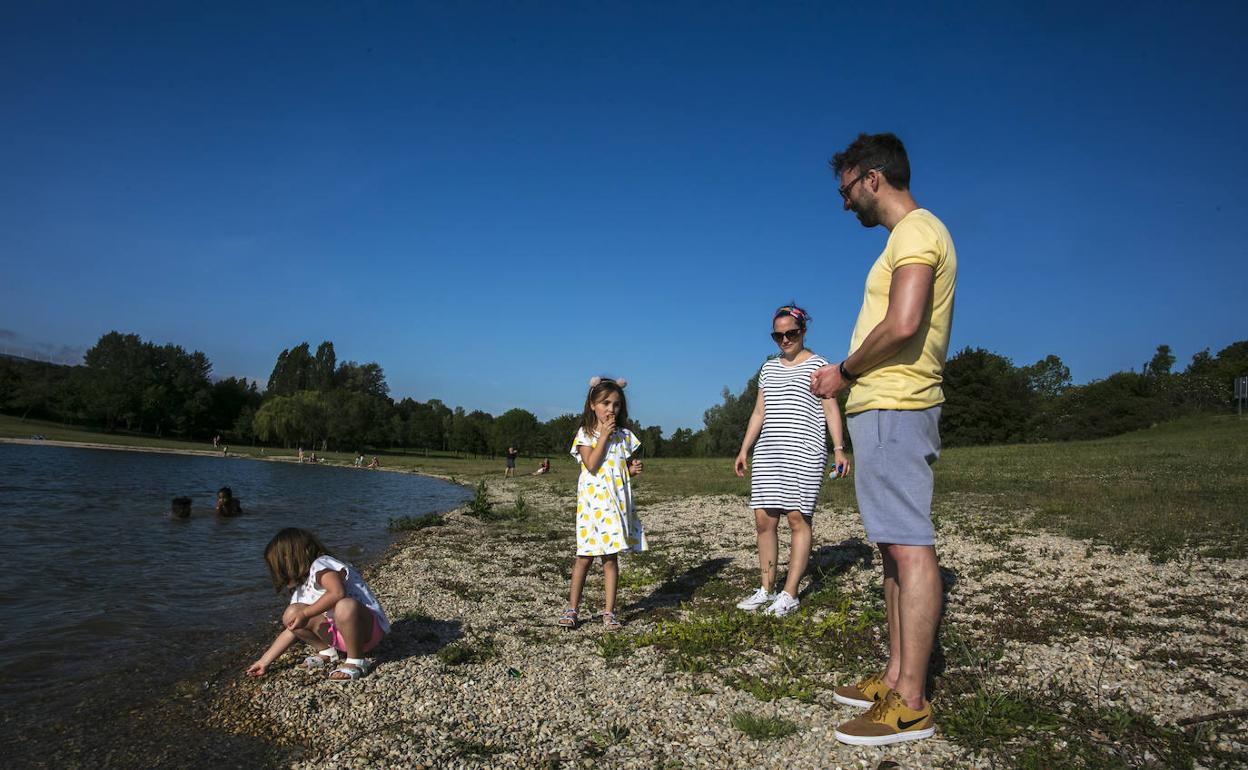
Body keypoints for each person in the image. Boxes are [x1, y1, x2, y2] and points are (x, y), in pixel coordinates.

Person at [810, 132, 957, 746]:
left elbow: (902, 324)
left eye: (845, 189)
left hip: (896, 402)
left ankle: (912, 704)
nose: (844, 203)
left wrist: (842, 373)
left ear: (872, 177)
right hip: (882, 407)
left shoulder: (918, 231)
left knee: (909, 545)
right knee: (891, 547)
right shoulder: (905, 239)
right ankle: (896, 677)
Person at [734, 304, 849, 617]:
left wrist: (838, 448)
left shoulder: (820, 365)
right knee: (764, 519)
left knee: (798, 519)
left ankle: (790, 592)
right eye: (778, 335)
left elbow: (830, 409)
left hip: (805, 450)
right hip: (769, 451)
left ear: (803, 331)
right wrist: (745, 448)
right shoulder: (769, 369)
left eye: (791, 333)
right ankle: (766, 588)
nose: (785, 339)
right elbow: (759, 412)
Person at [246, 528, 391, 682]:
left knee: (344, 605)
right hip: (340, 639)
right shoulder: (301, 591)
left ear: (289, 557)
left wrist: (306, 614)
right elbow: (291, 629)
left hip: (366, 631)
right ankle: (328, 652)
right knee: (292, 613)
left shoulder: (322, 565)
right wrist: (264, 661)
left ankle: (356, 661)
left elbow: (337, 593)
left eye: (279, 566)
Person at [558, 377, 645, 631]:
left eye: (616, 405)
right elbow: (592, 464)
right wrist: (604, 436)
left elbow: (617, 469)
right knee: (584, 557)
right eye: (605, 403)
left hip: (614, 506)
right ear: (592, 404)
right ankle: (573, 608)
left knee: (610, 559)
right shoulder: (586, 434)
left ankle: (609, 612)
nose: (611, 409)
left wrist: (631, 469)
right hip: (591, 507)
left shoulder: (624, 436)